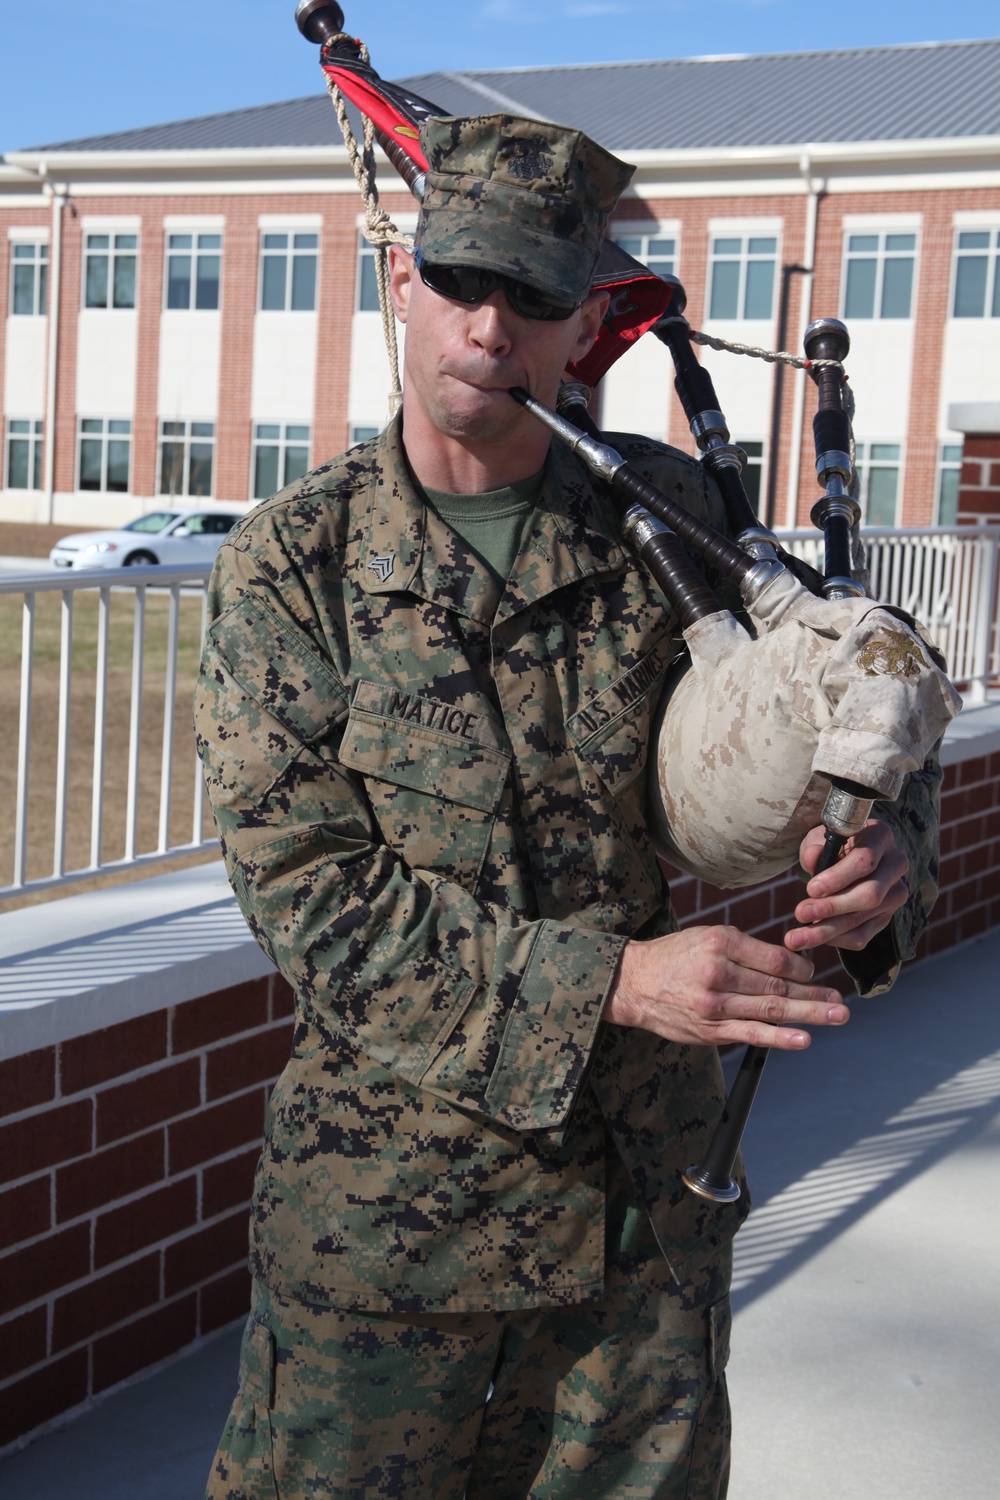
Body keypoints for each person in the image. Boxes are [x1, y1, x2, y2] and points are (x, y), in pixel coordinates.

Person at [196, 112, 933, 1500]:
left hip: (643, 1228)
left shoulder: (677, 522)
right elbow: (314, 903)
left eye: (532, 295)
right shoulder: (293, 565)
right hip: (391, 1244)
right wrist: (619, 984)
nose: (489, 326)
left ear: (584, 319)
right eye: (462, 280)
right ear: (402, 283)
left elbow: (833, 708)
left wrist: (881, 854)